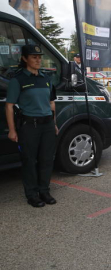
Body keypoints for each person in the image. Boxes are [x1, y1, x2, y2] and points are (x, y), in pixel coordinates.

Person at [5, 44, 58, 208]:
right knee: (29, 161)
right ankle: (32, 194)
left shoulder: (45, 78)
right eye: (34, 57)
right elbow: (9, 106)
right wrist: (12, 130)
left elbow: (52, 103)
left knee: (47, 159)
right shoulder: (18, 79)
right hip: (29, 126)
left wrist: (54, 124)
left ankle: (44, 190)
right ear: (24, 59)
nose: (38, 60)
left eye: (39, 57)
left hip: (47, 125)